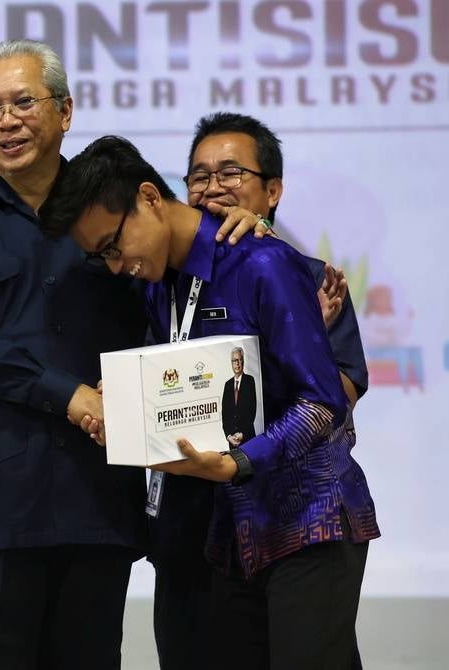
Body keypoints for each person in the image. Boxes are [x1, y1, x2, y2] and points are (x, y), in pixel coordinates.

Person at [0, 40, 267, 669]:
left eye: (24, 102)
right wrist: (69, 394)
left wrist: (244, 236)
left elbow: (184, 277)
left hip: (97, 501)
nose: (6, 121)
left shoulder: (121, 206)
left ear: (66, 111)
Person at [39, 135, 380, 669]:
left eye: (112, 245)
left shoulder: (261, 262)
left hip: (304, 518)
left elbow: (323, 404)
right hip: (218, 532)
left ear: (150, 198)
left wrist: (238, 461)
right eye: (99, 255)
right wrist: (129, 407)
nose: (113, 264)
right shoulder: (157, 283)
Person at [148, 112, 372, 670]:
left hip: (295, 517)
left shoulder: (300, 275)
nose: (211, 187)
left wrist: (293, 331)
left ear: (272, 190)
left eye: (230, 172)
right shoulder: (162, 283)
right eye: (197, 176)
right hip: (199, 528)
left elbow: (334, 396)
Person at [221, 347, 257, 448]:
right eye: (235, 360)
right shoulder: (227, 385)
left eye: (240, 360)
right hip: (232, 442)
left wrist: (242, 434)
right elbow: (225, 414)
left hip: (248, 438)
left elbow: (252, 411)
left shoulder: (250, 381)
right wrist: (228, 436)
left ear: (243, 361)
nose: (238, 363)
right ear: (231, 363)